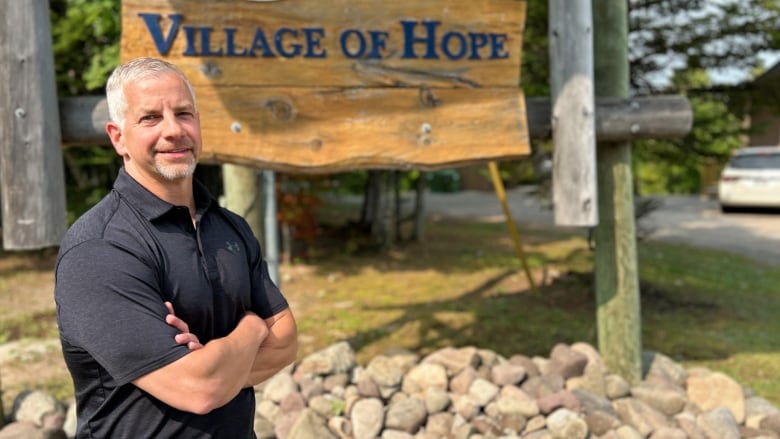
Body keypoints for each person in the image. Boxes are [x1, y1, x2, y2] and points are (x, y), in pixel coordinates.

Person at [54, 57, 298, 438]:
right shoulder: (100, 249)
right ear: (118, 137)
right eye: (150, 118)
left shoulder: (230, 228)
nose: (173, 131)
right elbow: (199, 389)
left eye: (184, 113)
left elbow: (284, 343)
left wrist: (216, 365)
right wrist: (251, 328)